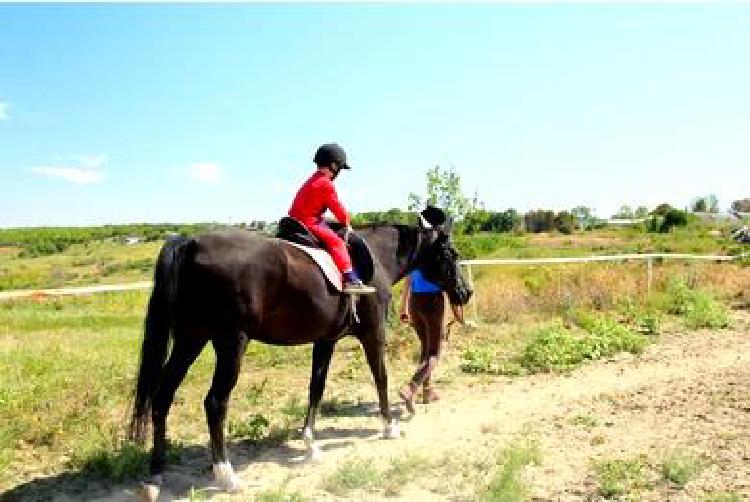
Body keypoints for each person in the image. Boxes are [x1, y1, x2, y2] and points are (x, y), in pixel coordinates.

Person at [289, 143, 375, 294]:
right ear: (334, 166)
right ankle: (350, 279)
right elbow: (337, 208)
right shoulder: (326, 184)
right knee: (337, 243)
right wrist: (346, 222)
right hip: (309, 221)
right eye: (340, 168)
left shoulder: (312, 179)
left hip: (296, 219)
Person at [398, 207, 459, 413]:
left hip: (415, 301)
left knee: (425, 348)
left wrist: (404, 305)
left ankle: (428, 391)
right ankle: (411, 387)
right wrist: (457, 310)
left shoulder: (416, 246)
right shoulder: (439, 248)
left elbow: (408, 278)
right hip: (433, 302)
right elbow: (451, 281)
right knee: (434, 353)